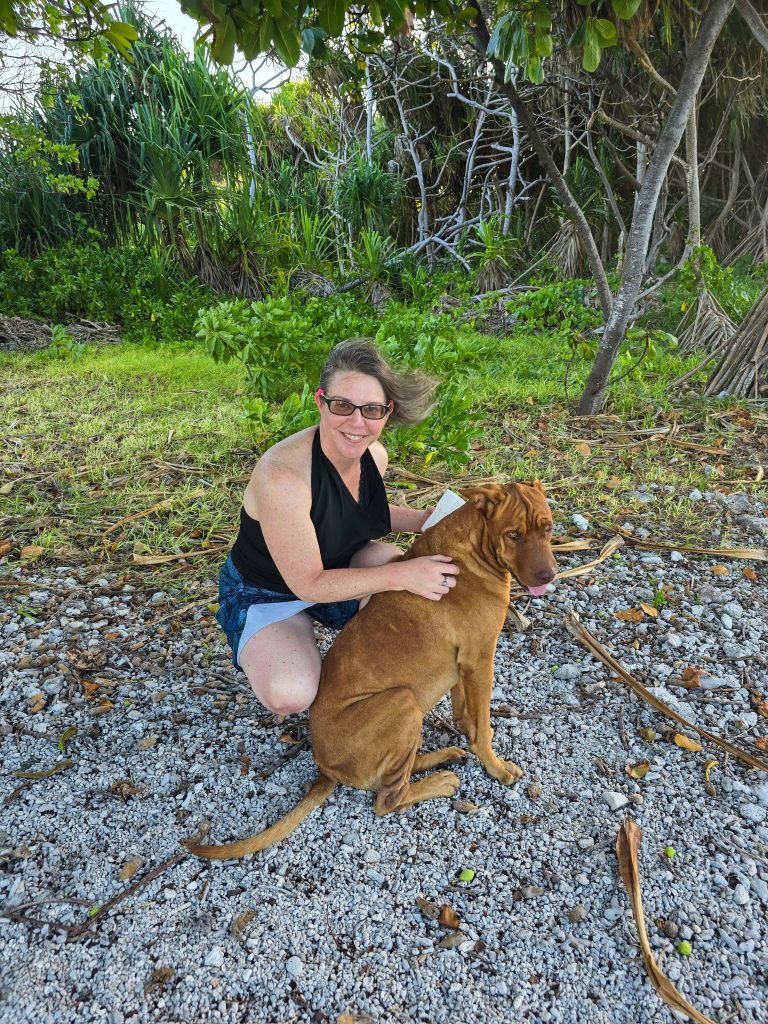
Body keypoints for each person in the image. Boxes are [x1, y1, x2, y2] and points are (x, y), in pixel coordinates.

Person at [216, 337, 460, 716]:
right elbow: (309, 583)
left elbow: (353, 509)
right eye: (343, 405)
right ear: (320, 402)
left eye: (372, 409)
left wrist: (419, 520)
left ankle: (357, 670)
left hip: (338, 567)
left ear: (387, 412)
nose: (357, 423)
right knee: (290, 693)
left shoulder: (373, 455)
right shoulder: (282, 476)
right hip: (267, 591)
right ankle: (285, 638)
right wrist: (403, 575)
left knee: (392, 566)